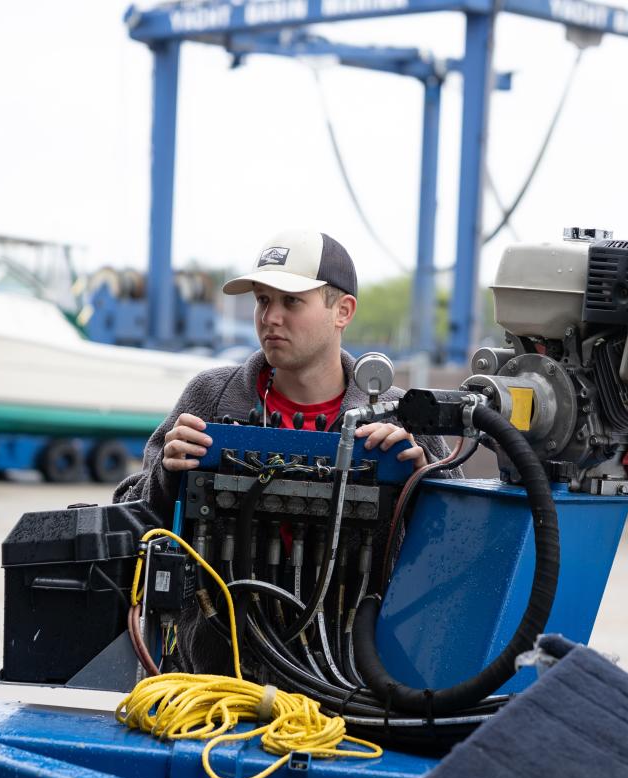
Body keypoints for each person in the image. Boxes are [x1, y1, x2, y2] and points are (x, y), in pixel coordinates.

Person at [112, 228, 456, 675]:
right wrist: (168, 474)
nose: (270, 317)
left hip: (352, 685)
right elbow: (130, 517)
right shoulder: (211, 397)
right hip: (216, 684)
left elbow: (457, 551)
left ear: (343, 311)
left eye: (291, 302)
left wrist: (423, 483)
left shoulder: (401, 418)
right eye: (262, 300)